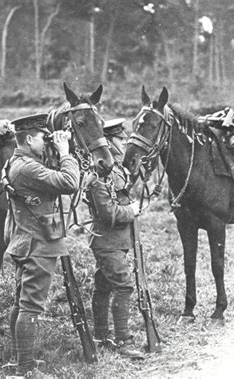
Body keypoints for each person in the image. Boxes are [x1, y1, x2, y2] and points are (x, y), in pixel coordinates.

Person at [4, 113, 80, 377]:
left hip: (25, 241)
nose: (45, 142)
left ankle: (19, 359)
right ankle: (24, 368)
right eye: (41, 138)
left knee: (21, 303)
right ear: (27, 138)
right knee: (31, 306)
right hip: (38, 244)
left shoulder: (16, 162)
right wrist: (65, 151)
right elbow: (69, 182)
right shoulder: (28, 168)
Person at [85, 118, 144, 360]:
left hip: (115, 241)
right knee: (124, 286)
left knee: (103, 286)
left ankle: (100, 335)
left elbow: (124, 187)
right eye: (121, 139)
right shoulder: (99, 177)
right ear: (109, 142)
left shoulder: (115, 170)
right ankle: (124, 340)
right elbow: (109, 214)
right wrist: (132, 211)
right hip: (107, 241)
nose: (124, 143)